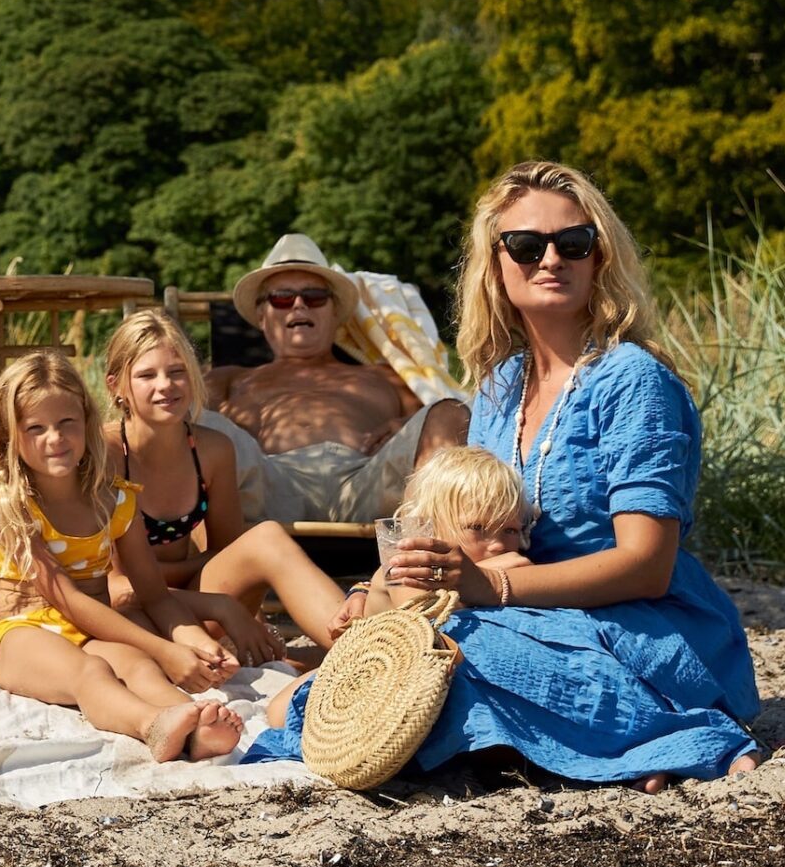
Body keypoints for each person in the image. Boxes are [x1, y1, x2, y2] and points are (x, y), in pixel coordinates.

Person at [245, 162, 762, 788]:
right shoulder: (501, 386)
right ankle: (552, 742)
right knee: (404, 654)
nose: (551, 259)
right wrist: (388, 582)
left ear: (599, 257)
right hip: (528, 613)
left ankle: (636, 732)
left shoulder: (633, 381)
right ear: (495, 262)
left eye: (574, 242)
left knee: (442, 666)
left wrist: (494, 587)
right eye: (525, 244)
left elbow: (647, 566)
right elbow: (469, 528)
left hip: (643, 624)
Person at [0, 352, 245, 762]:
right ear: (11, 437)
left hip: (92, 632)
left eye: (66, 424)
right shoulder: (11, 506)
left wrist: (181, 643)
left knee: (138, 665)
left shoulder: (112, 499)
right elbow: (67, 599)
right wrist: (163, 646)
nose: (55, 438)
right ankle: (151, 725)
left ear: (86, 422)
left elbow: (154, 593)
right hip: (24, 638)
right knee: (92, 673)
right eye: (36, 428)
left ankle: (195, 725)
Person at [100, 308, 351, 655]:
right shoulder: (105, 455)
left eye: (177, 372)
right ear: (117, 386)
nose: (165, 386)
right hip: (130, 616)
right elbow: (110, 586)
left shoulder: (211, 449)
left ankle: (363, 648)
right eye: (146, 375)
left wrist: (212, 591)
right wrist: (213, 598)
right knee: (126, 598)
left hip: (190, 603)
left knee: (267, 538)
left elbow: (230, 553)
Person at [208, 234, 469, 526]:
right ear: (261, 314)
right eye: (282, 298)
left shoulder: (384, 375)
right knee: (195, 421)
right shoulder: (229, 380)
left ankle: (425, 557)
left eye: (314, 297)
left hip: (366, 483)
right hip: (268, 483)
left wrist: (402, 427)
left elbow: (426, 424)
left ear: (335, 312)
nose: (298, 306)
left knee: (449, 413)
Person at [330, 447, 533, 630]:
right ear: (429, 527)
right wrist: (489, 578)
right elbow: (424, 616)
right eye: (476, 527)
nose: (498, 545)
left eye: (511, 531)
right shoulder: (407, 565)